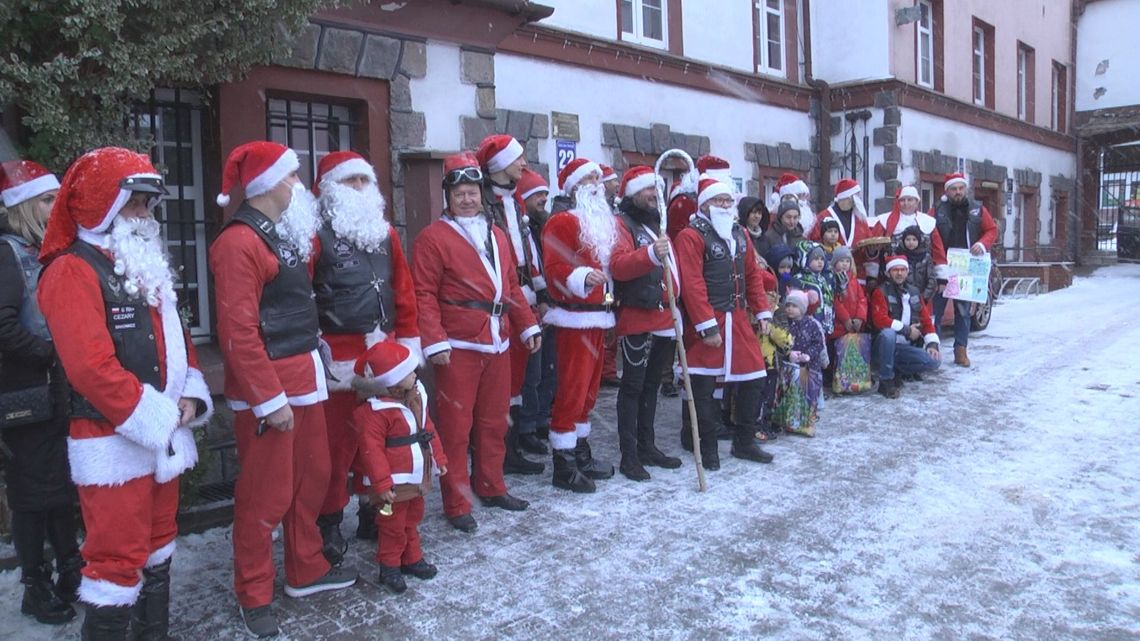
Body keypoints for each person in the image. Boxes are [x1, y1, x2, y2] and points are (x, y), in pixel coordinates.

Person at [37, 147, 214, 639]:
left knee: (159, 546)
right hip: (112, 440)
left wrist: (191, 397)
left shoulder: (144, 265)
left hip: (164, 437)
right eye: (134, 204)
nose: (144, 216)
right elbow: (90, 367)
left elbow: (179, 344)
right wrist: (154, 416)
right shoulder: (71, 271)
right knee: (115, 563)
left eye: (146, 206)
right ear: (103, 206)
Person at [210, 141, 357, 638]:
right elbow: (238, 331)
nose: (299, 186)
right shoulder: (238, 244)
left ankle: (306, 566)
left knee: (311, 478)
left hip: (303, 377)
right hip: (272, 387)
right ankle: (254, 591)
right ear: (269, 183)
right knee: (263, 497)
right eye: (292, 177)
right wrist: (269, 401)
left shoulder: (282, 233)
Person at [411, 152, 539, 531]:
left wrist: (527, 325)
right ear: (448, 197)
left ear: (480, 194)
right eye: (459, 193)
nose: (467, 199)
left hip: (498, 340)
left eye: (472, 192)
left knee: (494, 421)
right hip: (459, 345)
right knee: (455, 427)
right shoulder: (432, 239)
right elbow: (423, 294)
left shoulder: (496, 234)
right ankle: (457, 502)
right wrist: (434, 342)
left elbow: (511, 286)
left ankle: (491, 484)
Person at [308, 151, 420, 563]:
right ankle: (330, 521)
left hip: (386, 356)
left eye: (363, 181)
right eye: (349, 182)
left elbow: (404, 293)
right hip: (340, 359)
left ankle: (376, 508)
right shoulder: (315, 237)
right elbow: (305, 299)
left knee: (385, 439)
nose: (358, 189)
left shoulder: (386, 234)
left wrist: (409, 345)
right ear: (329, 189)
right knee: (338, 450)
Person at [0, 160, 82, 625]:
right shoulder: (8, 254)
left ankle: (71, 572)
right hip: (26, 397)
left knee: (59, 489)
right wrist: (52, 353)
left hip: (54, 394)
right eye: (48, 200)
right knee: (33, 497)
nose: (56, 208)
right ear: (25, 205)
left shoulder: (46, 252)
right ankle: (36, 586)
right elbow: (3, 326)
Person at [673, 178, 774, 469]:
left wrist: (763, 312)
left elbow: (752, 275)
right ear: (704, 204)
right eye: (719, 201)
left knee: (755, 378)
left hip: (739, 318)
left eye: (729, 201)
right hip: (707, 320)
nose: (725, 206)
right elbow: (692, 284)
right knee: (703, 385)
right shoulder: (690, 236)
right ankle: (706, 447)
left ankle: (744, 441)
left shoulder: (740, 232)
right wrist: (706, 325)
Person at [542, 157, 624, 492]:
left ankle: (580, 451)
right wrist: (581, 277)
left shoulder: (603, 222)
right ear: (574, 186)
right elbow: (554, 268)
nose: (596, 181)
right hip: (574, 318)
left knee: (589, 392)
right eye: (588, 177)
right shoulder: (562, 222)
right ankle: (563, 464)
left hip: (598, 317)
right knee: (572, 391)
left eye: (597, 176)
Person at [351, 341, 447, 595]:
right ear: (390, 382)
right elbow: (372, 453)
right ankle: (389, 565)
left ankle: (412, 558)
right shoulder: (374, 412)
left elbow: (428, 429)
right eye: (408, 373)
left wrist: (440, 458)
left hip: (416, 476)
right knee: (391, 524)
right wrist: (381, 484)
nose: (415, 376)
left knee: (412, 519)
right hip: (391, 484)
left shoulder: (415, 398)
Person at [475, 135, 546, 476]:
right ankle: (499, 451)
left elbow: (527, 252)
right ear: (500, 164)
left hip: (523, 295)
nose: (523, 164)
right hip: (501, 298)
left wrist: (540, 292)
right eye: (518, 159)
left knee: (520, 378)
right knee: (504, 383)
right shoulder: (483, 203)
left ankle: (514, 444)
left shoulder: (514, 202)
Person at [609, 165, 684, 481]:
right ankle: (629, 455)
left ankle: (647, 445)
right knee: (633, 387)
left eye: (655, 189)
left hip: (664, 315)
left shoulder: (659, 224)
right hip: (637, 315)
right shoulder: (622, 225)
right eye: (645, 190)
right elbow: (619, 267)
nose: (653, 195)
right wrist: (651, 254)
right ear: (631, 195)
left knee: (652, 385)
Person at [931, 173, 998, 367]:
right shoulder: (937, 210)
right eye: (954, 189)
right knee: (937, 310)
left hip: (967, 267)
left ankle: (961, 349)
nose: (958, 192)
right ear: (947, 190)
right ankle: (932, 349)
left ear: (965, 189)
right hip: (943, 267)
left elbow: (991, 230)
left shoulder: (978, 209)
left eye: (961, 188)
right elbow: (925, 230)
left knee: (963, 311)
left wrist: (983, 245)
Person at [515, 168, 556, 449]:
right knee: (531, 372)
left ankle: (540, 419)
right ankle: (527, 427)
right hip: (526, 307)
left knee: (545, 369)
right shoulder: (523, 229)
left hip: (543, 305)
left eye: (545, 193)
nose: (543, 199)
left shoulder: (542, 226)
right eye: (537, 194)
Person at [869, 256, 942, 398]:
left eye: (903, 270)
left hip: (903, 347)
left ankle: (898, 370)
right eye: (895, 270)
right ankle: (886, 380)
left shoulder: (914, 292)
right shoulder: (880, 291)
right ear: (889, 272)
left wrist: (932, 343)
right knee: (888, 334)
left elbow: (926, 319)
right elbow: (880, 320)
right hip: (882, 346)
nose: (899, 273)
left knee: (935, 361)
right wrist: (907, 330)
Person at [772, 290, 825, 436]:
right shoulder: (784, 324)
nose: (790, 309)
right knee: (788, 394)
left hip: (809, 367)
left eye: (794, 306)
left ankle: (806, 422)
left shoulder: (812, 324)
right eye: (787, 305)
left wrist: (808, 355)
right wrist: (788, 354)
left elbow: (818, 343)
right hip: (789, 368)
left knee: (807, 395)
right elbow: (779, 343)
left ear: (802, 308)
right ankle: (786, 420)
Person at [809, 178, 876, 282]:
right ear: (848, 197)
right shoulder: (823, 217)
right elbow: (814, 244)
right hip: (830, 275)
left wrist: (871, 251)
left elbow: (868, 245)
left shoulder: (860, 219)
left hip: (857, 278)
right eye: (856, 195)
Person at [898, 225, 938, 303]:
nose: (911, 242)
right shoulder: (899, 255)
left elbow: (931, 278)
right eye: (908, 239)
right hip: (903, 297)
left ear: (919, 240)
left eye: (914, 239)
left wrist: (924, 297)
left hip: (922, 297)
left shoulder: (926, 257)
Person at [737, 196, 770, 264]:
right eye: (753, 212)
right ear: (745, 213)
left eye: (759, 213)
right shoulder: (739, 236)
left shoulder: (764, 237)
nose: (757, 216)